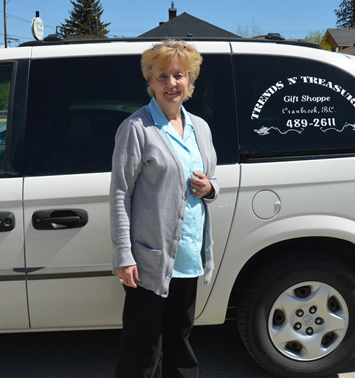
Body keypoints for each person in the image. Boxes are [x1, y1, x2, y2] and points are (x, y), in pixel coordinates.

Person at [110, 39, 219, 378]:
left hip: (188, 258)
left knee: (181, 342)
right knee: (143, 349)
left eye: (179, 75)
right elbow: (120, 194)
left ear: (190, 80)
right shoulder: (136, 128)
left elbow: (211, 180)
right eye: (162, 76)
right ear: (151, 81)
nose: (171, 83)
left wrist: (210, 188)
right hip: (150, 261)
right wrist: (124, 255)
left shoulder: (200, 127)